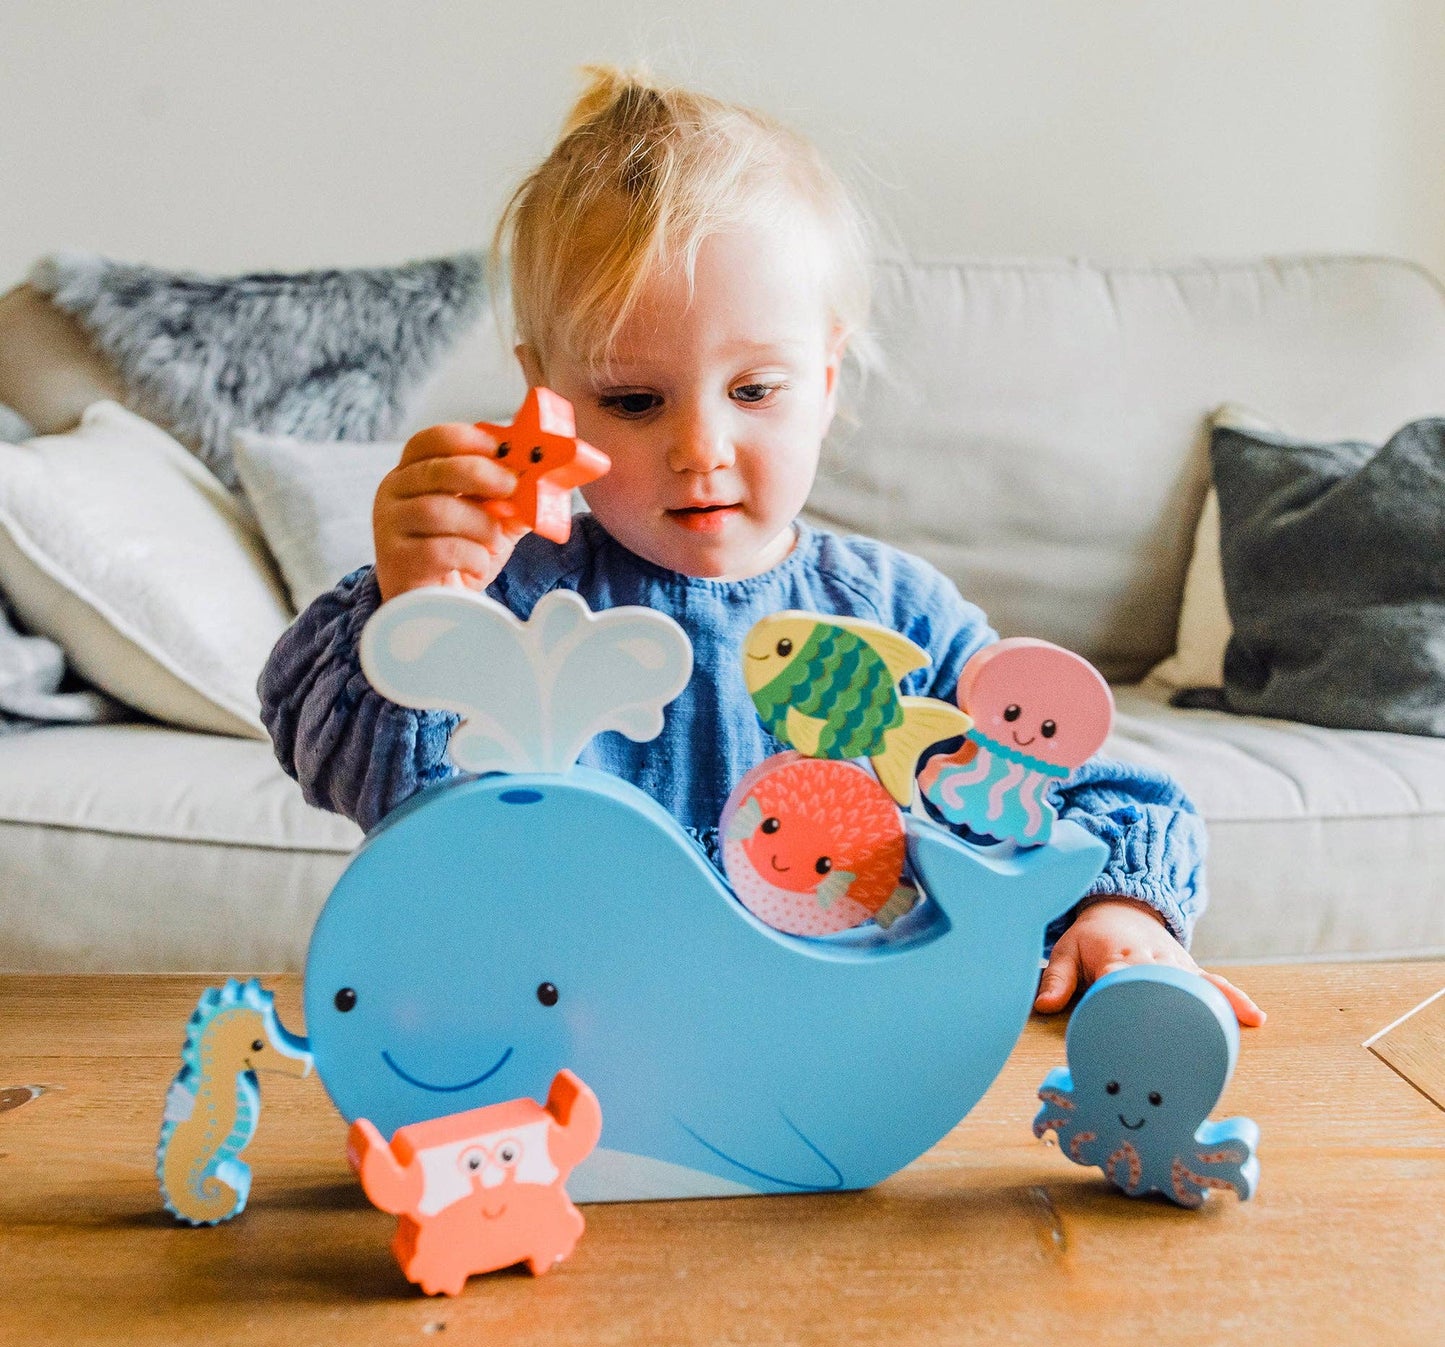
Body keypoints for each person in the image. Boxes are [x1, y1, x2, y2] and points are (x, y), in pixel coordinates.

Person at [260, 66, 1263, 1026]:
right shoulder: (509, 594)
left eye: (753, 390)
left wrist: (1119, 909)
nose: (699, 450)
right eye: (632, 399)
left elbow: (1076, 783)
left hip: (837, 1058)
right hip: (559, 1047)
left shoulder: (896, 617)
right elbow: (368, 787)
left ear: (826, 379)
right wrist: (417, 614)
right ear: (545, 396)